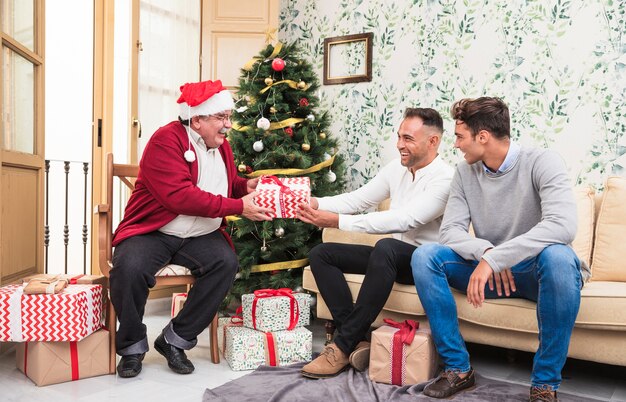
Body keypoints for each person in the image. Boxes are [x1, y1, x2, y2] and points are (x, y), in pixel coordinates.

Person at [411, 97, 587, 401]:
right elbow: (450, 231)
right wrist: (487, 253)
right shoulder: (465, 174)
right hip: (491, 272)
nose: (455, 145)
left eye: (459, 137)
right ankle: (458, 369)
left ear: (483, 137)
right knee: (425, 256)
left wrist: (497, 259)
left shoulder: (543, 161)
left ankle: (544, 385)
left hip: (536, 272)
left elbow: (563, 225)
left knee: (559, 256)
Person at [109, 80, 273, 378]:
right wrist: (239, 207)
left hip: (199, 234)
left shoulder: (221, 146)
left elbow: (224, 183)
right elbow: (180, 196)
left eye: (229, 117)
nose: (228, 125)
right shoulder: (165, 141)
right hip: (153, 230)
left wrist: (244, 186)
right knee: (129, 268)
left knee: (225, 263)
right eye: (222, 118)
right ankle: (132, 346)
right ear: (197, 120)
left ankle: (174, 340)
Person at [297, 108, 454, 379]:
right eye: (399, 136)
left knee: (386, 247)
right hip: (392, 257)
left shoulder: (445, 179)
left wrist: (337, 221)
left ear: (433, 141)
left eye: (408, 138)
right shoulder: (398, 168)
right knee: (322, 253)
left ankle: (342, 346)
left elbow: (406, 220)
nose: (399, 145)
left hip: (425, 263)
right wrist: (316, 203)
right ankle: (357, 340)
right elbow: (358, 199)